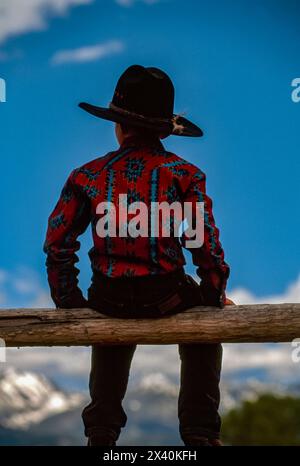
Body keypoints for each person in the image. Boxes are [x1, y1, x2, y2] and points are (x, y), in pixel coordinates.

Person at [43, 64, 231, 447]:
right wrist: (213, 295)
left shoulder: (87, 175)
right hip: (168, 297)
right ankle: (199, 432)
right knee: (206, 330)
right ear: (165, 130)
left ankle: (102, 430)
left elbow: (58, 242)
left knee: (110, 317)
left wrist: (70, 301)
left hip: (108, 298)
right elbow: (204, 242)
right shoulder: (184, 173)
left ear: (118, 125)